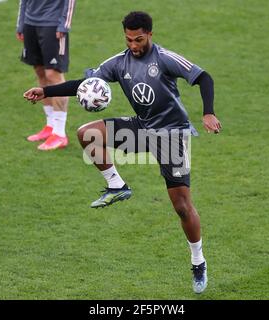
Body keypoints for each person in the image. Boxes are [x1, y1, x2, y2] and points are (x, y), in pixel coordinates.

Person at [23, 11, 221, 294]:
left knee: (181, 206)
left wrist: (208, 112)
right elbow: (85, 83)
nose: (133, 45)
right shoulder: (118, 63)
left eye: (138, 39)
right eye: (129, 39)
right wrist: (47, 91)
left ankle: (198, 260)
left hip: (171, 136)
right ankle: (117, 185)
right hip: (141, 128)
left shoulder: (165, 59)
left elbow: (204, 77)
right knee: (86, 133)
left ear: (150, 34)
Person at [16, 0, 76, 150]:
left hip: (52, 24)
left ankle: (60, 134)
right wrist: (21, 22)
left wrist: (64, 24)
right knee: (40, 72)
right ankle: (50, 126)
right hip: (30, 23)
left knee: (53, 75)